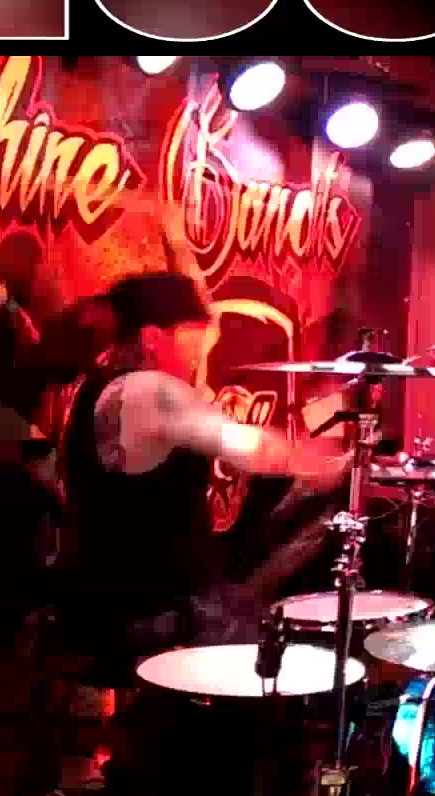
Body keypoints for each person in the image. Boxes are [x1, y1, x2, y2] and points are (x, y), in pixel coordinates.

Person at [57, 271, 334, 676]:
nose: (198, 359)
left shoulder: (100, 386)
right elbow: (251, 448)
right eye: (192, 343)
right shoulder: (144, 391)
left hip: (131, 605)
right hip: (152, 618)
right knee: (299, 663)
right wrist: (324, 460)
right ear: (152, 338)